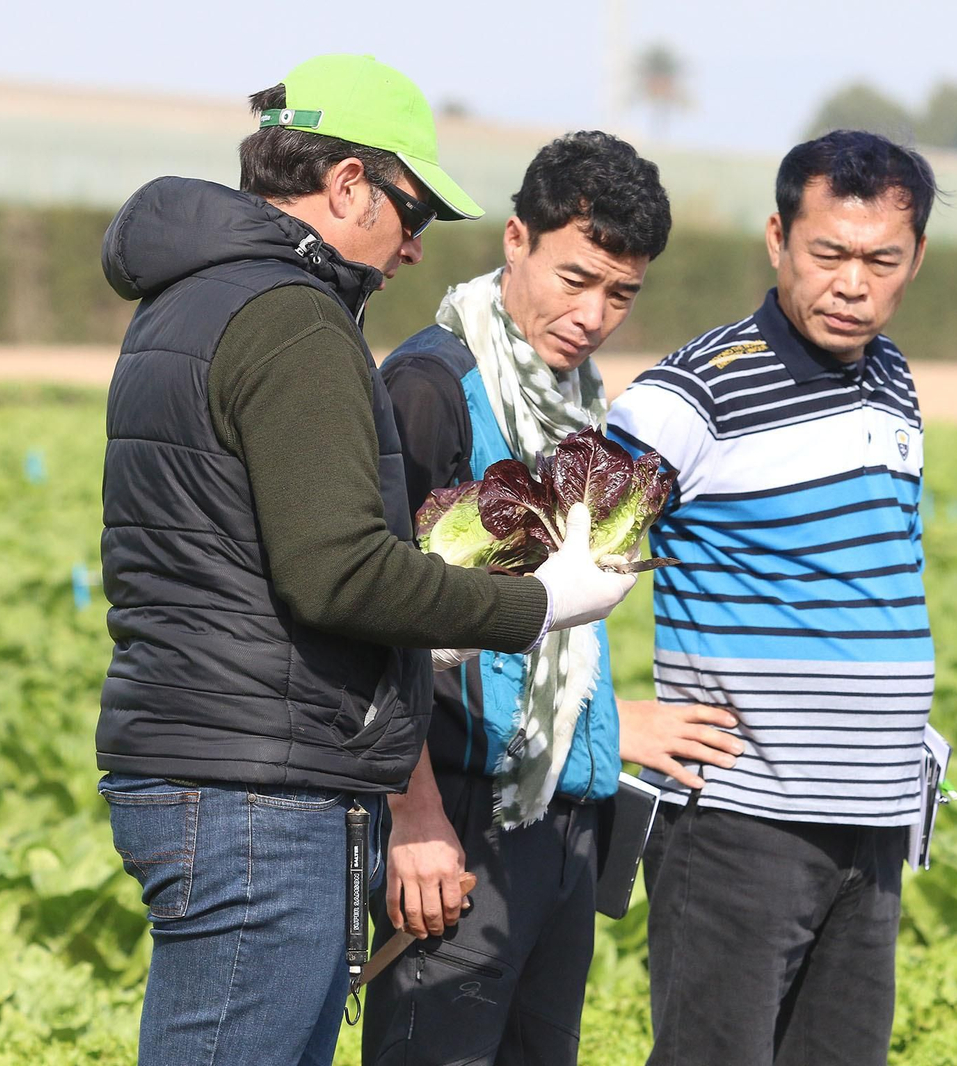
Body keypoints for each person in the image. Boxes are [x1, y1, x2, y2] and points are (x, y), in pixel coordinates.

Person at [94, 55, 636, 1066]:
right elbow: (337, 572)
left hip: (214, 762)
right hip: (260, 789)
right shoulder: (292, 318)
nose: (415, 247)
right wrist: (538, 604)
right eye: (412, 210)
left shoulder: (187, 301)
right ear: (347, 184)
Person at [361, 130, 743, 1066]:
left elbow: (561, 623)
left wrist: (607, 723)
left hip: (562, 816)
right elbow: (373, 623)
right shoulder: (430, 389)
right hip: (456, 816)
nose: (593, 315)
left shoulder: (581, 401)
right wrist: (413, 818)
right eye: (575, 278)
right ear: (516, 239)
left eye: (621, 293)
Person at [605, 129, 939, 1066]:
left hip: (873, 823)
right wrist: (598, 716)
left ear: (916, 259)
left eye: (881, 261)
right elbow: (539, 563)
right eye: (828, 253)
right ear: (778, 240)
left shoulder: (893, 380)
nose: (852, 284)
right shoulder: (688, 398)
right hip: (740, 826)